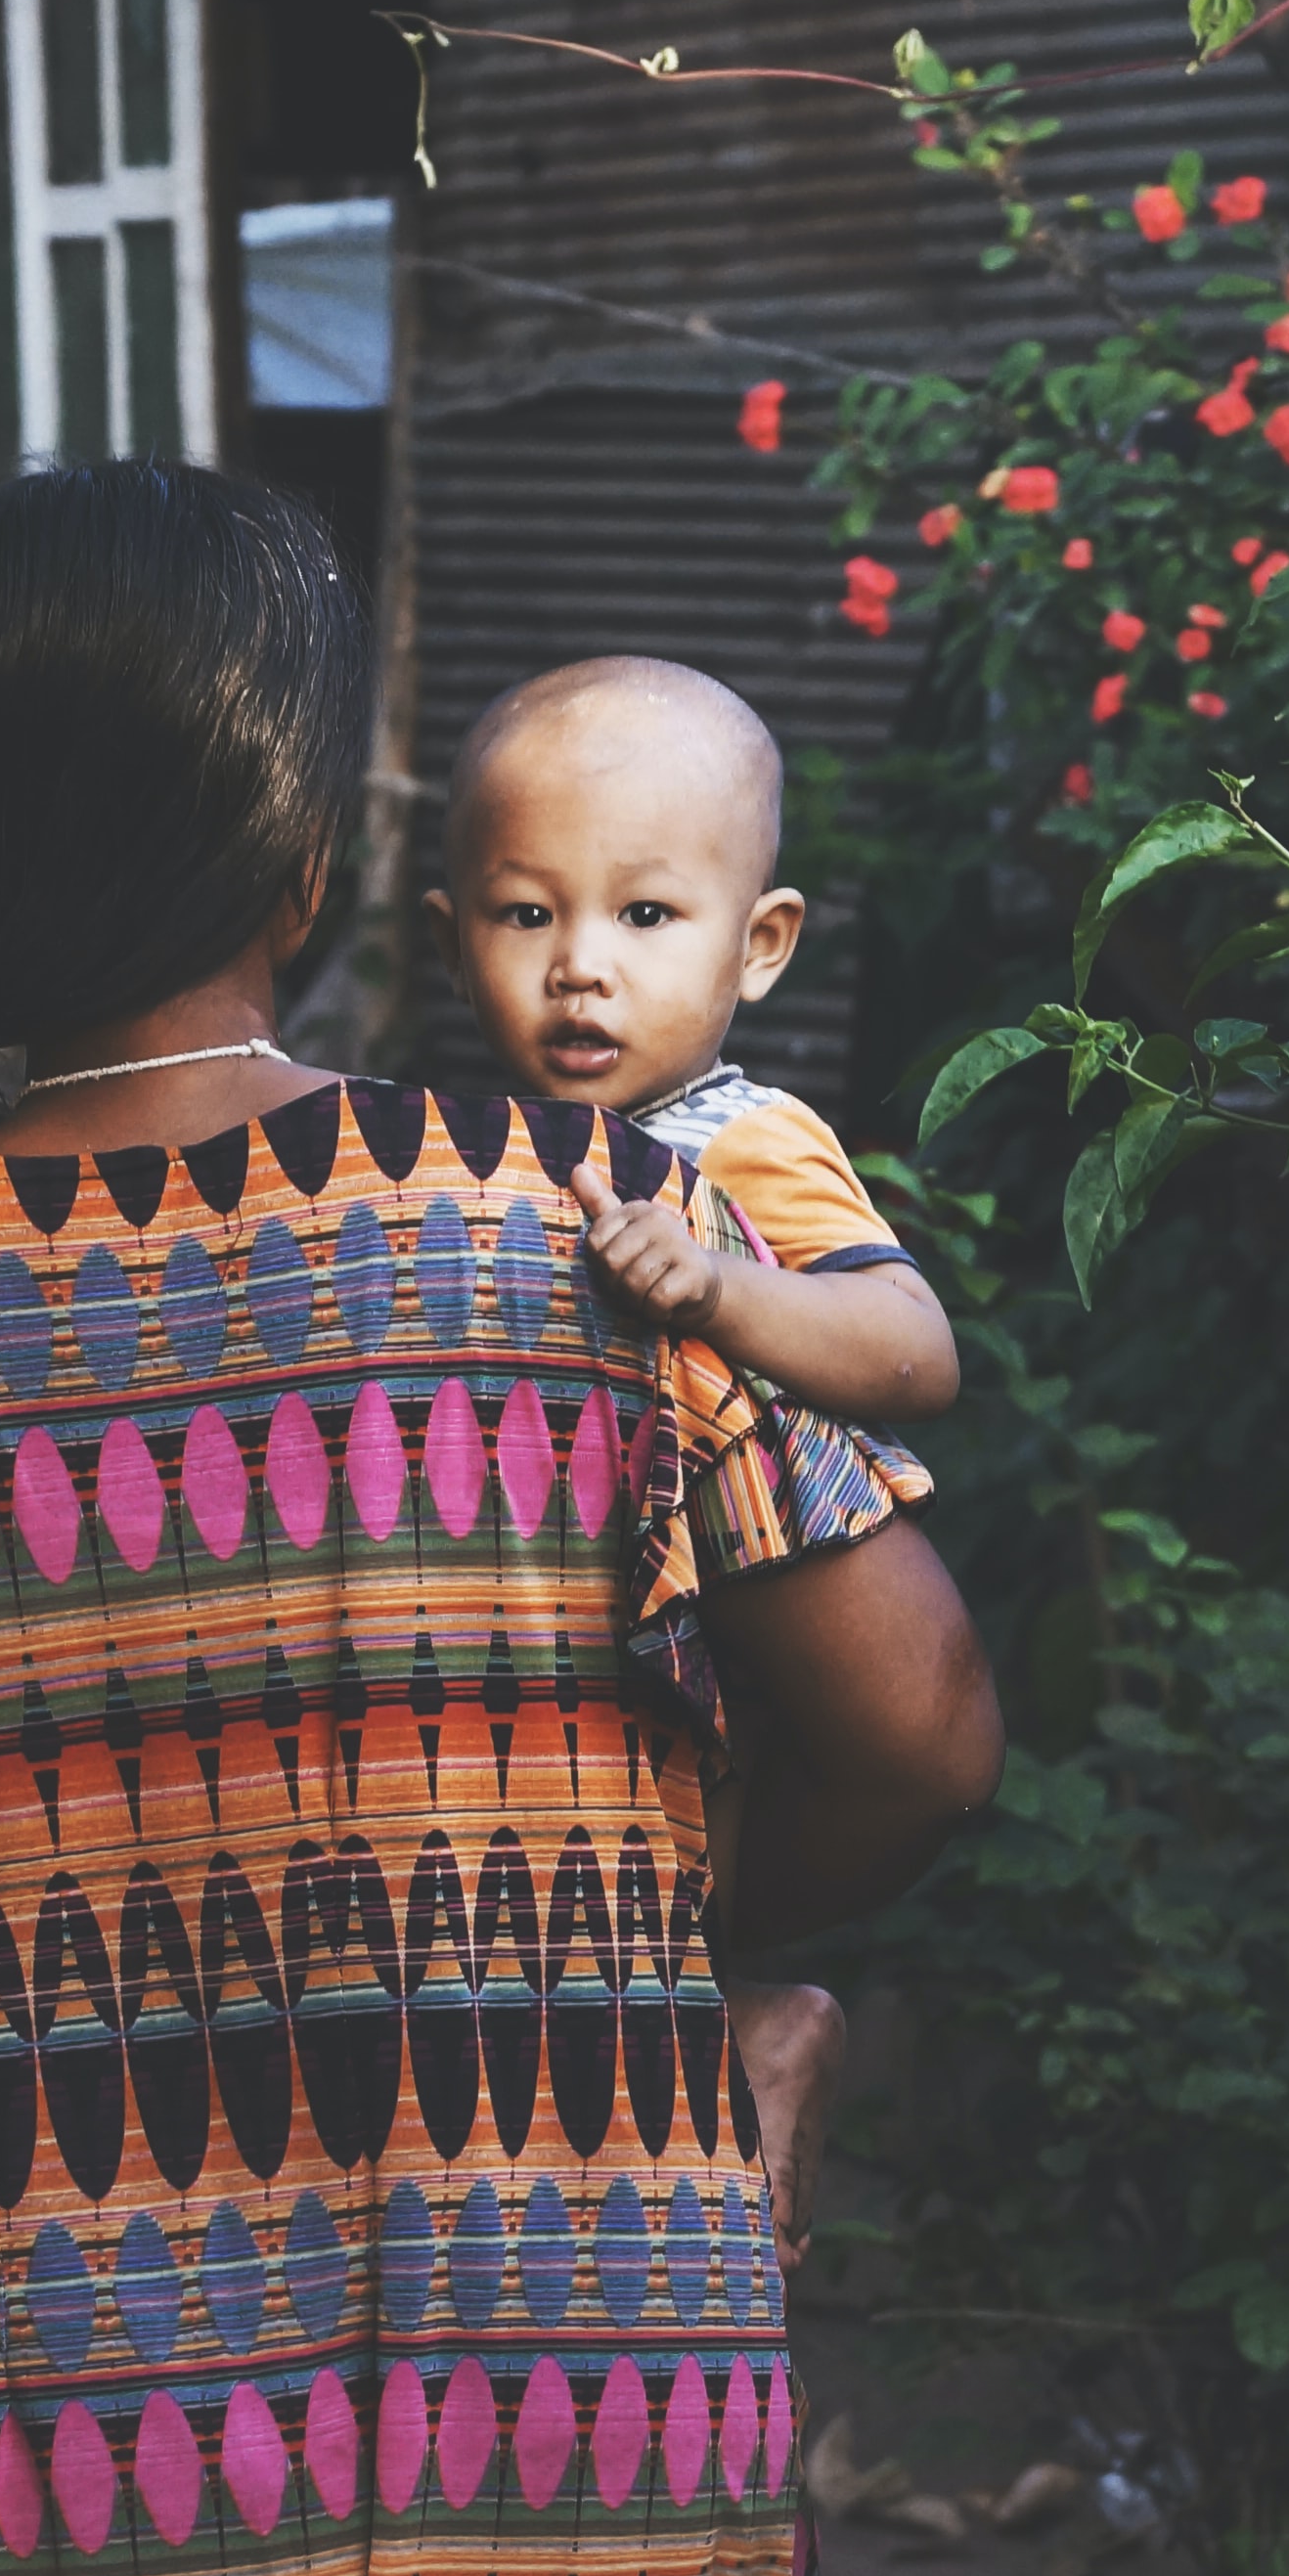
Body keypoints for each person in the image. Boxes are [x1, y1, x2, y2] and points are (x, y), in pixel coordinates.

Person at [0, 466, 1004, 2576]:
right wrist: (641, 1983)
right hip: (584, 2445)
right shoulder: (582, 1226)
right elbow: (915, 1735)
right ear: (309, 864)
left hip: (52, 2480)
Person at [421, 658, 966, 2268]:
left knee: (616, 1967)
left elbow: (915, 1345)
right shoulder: (469, 1147)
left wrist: (723, 1279)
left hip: (722, 1651)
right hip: (545, 1640)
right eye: (528, 916)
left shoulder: (742, 1139)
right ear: (454, 934)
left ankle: (753, 2030)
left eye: (646, 919)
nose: (583, 971)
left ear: (762, 942)